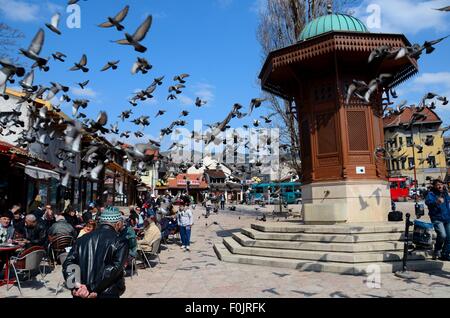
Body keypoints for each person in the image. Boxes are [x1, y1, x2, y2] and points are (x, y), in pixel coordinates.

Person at [63, 207, 129, 299]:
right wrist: (90, 288)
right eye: (122, 223)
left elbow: (69, 263)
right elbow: (114, 268)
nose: (122, 226)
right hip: (106, 292)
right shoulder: (120, 241)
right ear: (117, 224)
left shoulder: (82, 239)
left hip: (82, 293)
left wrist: (75, 286)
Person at [425, 179, 450, 260]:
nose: (440, 186)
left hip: (447, 218)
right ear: (434, 186)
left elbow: (447, 205)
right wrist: (436, 202)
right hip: (437, 218)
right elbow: (428, 203)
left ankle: (445, 253)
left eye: (441, 184)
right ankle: (437, 249)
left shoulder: (445, 194)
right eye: (438, 184)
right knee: (442, 235)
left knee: (449, 237)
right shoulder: (431, 194)